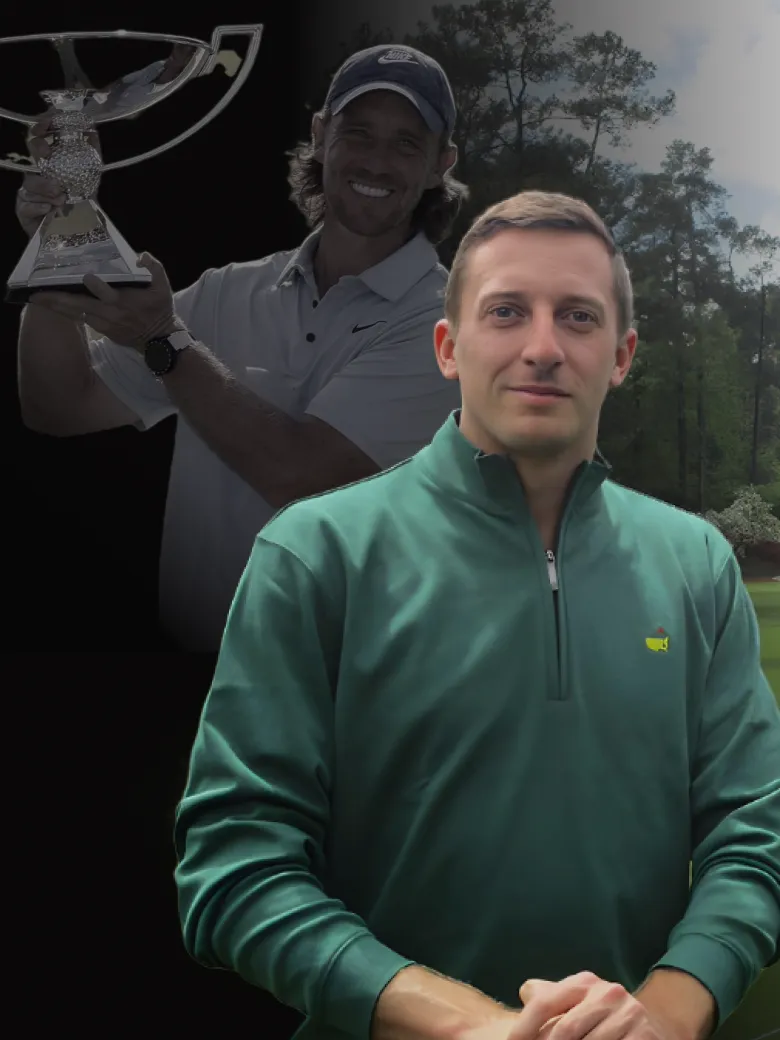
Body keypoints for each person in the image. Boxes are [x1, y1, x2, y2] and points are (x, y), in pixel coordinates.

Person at [173, 190, 780, 1040]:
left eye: (577, 316)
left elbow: (757, 832)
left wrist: (668, 1013)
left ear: (622, 355)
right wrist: (470, 1027)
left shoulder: (697, 562)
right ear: (448, 348)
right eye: (506, 313)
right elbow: (234, 871)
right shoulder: (314, 554)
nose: (542, 347)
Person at [15, 44, 466, 650]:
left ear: (442, 162)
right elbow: (61, 406)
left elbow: (303, 479)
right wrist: (59, 243)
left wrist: (164, 342)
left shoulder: (446, 327)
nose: (377, 161)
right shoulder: (230, 290)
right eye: (357, 132)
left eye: (407, 143)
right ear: (321, 134)